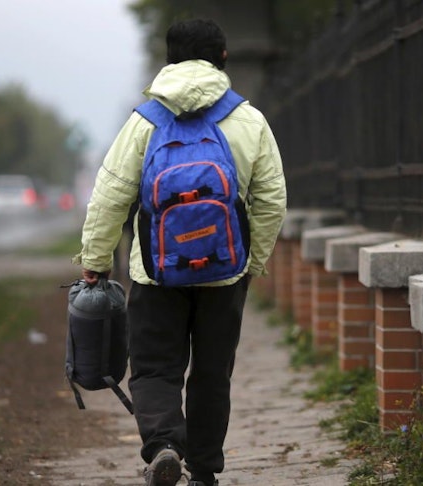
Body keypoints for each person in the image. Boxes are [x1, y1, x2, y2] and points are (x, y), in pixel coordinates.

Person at [74, 18, 287, 486]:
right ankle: (204, 471)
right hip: (225, 272)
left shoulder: (145, 121)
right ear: (223, 58)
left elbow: (110, 195)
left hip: (155, 272)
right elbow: (272, 200)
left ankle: (163, 445)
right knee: (212, 373)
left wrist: (96, 260)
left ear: (169, 59)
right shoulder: (248, 120)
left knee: (154, 367)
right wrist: (251, 262)